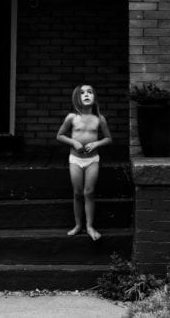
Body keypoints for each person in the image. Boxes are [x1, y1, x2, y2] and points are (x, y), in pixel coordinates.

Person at [56, 84, 112, 241]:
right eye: (82, 93)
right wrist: (74, 142)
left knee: (89, 192)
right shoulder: (71, 118)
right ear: (77, 98)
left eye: (90, 92)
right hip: (75, 160)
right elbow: (59, 135)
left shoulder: (99, 119)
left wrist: (96, 144)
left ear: (94, 97)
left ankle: (89, 226)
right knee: (77, 193)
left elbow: (108, 138)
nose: (86, 95)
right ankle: (78, 225)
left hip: (92, 160)